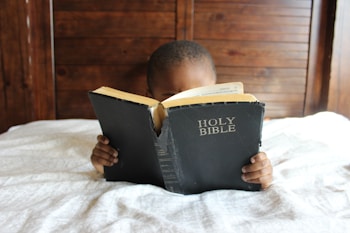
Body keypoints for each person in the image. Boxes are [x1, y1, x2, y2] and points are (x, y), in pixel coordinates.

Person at [91, 40, 273, 190]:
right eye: (172, 96)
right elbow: (113, 168)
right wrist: (103, 162)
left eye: (200, 94)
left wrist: (261, 174)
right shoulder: (136, 131)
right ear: (150, 97)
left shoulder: (233, 128)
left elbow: (257, 174)